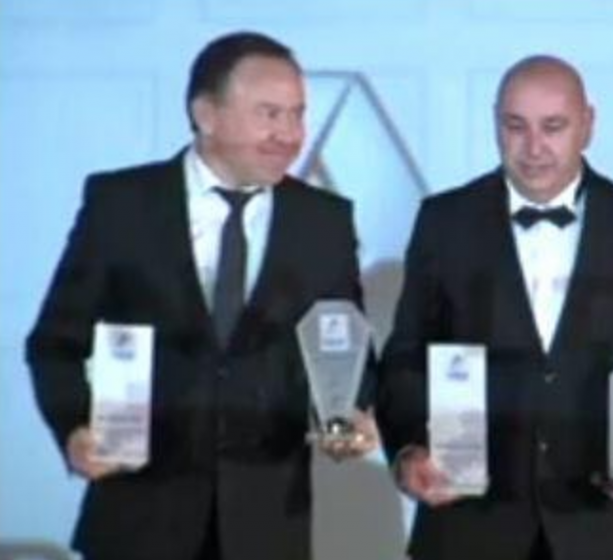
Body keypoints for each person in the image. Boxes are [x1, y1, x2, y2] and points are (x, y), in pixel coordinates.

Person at [25, 31, 377, 560]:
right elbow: (54, 343)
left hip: (267, 526)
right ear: (206, 114)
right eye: (269, 114)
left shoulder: (323, 221)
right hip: (139, 520)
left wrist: (350, 416)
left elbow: (346, 349)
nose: (290, 134)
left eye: (298, 114)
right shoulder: (122, 205)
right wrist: (75, 429)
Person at [377, 55, 613, 560]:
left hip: (597, 523)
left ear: (588, 124)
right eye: (515, 126)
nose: (534, 147)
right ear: (494, 124)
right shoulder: (443, 220)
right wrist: (410, 450)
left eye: (553, 127)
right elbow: (406, 356)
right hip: (467, 525)